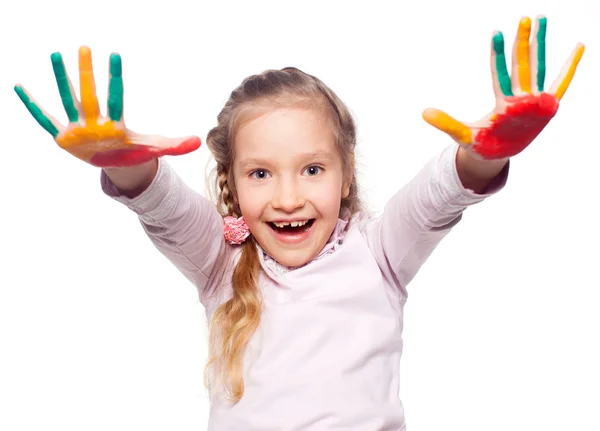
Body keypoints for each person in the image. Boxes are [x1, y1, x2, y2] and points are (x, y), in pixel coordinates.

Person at [14, 16, 584, 430]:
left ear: (344, 176)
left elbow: (439, 196)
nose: (288, 197)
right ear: (232, 186)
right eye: (260, 174)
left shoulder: (379, 250)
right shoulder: (222, 259)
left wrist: (486, 153)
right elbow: (163, 207)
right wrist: (132, 167)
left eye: (312, 169)